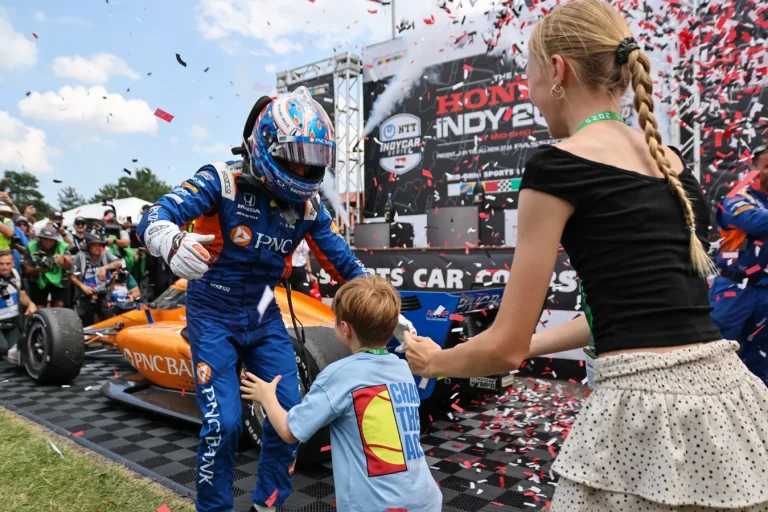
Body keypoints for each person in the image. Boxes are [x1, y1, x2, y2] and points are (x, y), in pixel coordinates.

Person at [404, 1, 768, 511]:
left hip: (642, 418)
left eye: (529, 77)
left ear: (558, 71)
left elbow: (505, 349)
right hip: (733, 405)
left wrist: (435, 360)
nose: (530, 96)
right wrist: (526, 345)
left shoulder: (556, 168)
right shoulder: (673, 165)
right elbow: (626, 317)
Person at [138, 87, 367, 512]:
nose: (305, 167)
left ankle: (268, 506)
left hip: (264, 313)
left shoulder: (310, 207)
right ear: (266, 145)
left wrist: (384, 302)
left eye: (314, 159)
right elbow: (154, 214)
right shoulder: (220, 180)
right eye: (296, 156)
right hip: (212, 312)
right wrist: (168, 240)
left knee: (290, 418)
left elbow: (345, 265)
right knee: (224, 425)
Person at [241, 275, 441, 512]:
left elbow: (288, 431)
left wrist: (266, 396)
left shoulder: (338, 375)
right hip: (426, 500)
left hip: (375, 506)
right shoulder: (403, 369)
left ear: (345, 329)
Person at [709, 141, 768, 384]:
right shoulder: (736, 199)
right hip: (734, 291)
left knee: (762, 362)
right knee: (717, 356)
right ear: (754, 168)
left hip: (765, 293)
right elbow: (754, 222)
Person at [69, 232, 126, 325]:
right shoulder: (81, 256)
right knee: (87, 322)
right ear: (88, 247)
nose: (97, 247)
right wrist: (83, 286)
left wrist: (104, 268)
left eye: (99, 245)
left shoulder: (105, 255)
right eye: (94, 245)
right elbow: (71, 275)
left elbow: (120, 263)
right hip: (85, 295)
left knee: (107, 315)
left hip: (103, 293)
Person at [0, 250, 37, 363]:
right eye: (1, 264)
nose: (5, 267)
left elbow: (22, 295)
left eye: (8, 264)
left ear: (13, 263)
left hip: (11, 324)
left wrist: (30, 304)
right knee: (2, 349)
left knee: (19, 350)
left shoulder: (15, 274)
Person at [23, 225, 72, 308]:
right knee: (39, 307)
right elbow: (27, 269)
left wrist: (63, 260)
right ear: (40, 238)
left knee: (59, 305)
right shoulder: (31, 247)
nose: (48, 242)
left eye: (51, 240)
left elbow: (69, 266)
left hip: (58, 280)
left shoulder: (62, 246)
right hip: (38, 280)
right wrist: (38, 269)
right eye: (45, 239)